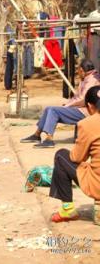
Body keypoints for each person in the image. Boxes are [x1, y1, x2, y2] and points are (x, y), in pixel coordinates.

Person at [48, 85, 100, 223]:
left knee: (61, 156)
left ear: (89, 105)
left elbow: (76, 157)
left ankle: (67, 209)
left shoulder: (87, 123)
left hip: (97, 184)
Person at [21, 59, 100, 148]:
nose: (78, 73)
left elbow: (83, 98)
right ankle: (37, 134)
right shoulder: (88, 78)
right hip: (81, 109)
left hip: (86, 111)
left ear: (81, 70)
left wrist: (67, 105)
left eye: (78, 70)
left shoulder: (92, 80)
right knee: (48, 109)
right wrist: (68, 103)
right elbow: (78, 97)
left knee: (53, 110)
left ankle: (49, 139)